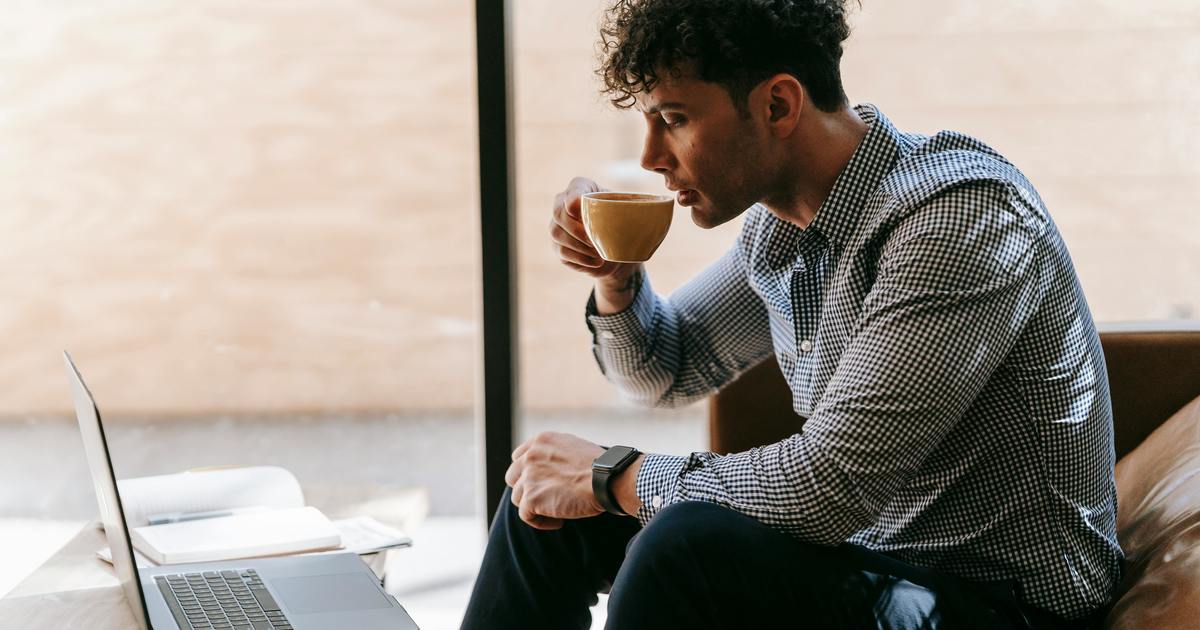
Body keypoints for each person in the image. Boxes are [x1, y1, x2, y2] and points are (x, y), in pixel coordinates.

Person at [462, 0, 1123, 628]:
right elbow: (666, 368)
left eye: (675, 119)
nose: (651, 160)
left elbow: (829, 486)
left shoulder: (957, 219)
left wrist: (611, 474)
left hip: (1001, 606)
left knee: (680, 545)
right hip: (874, 562)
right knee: (541, 500)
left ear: (777, 104)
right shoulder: (784, 230)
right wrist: (616, 277)